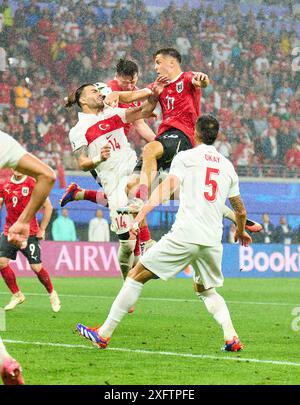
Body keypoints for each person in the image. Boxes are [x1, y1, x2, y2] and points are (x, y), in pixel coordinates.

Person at [76, 114, 252, 352]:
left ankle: (103, 333)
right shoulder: (227, 166)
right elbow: (240, 210)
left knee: (136, 274)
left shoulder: (185, 157)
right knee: (205, 290)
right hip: (212, 241)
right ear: (216, 136)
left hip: (185, 235)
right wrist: (241, 232)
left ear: (195, 134)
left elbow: (167, 187)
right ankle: (231, 338)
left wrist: (140, 214)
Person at [116, 48, 261, 235]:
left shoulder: (186, 78)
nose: (155, 67)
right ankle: (234, 216)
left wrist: (203, 78)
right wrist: (125, 96)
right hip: (164, 137)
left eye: (158, 62)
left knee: (150, 151)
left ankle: (140, 206)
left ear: (172, 63)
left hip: (182, 135)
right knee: (133, 186)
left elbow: (202, 80)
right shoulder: (158, 85)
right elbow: (139, 104)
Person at [61, 80, 166, 285]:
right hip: (112, 182)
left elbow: (143, 111)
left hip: (131, 168)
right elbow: (83, 163)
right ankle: (127, 279)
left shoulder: (112, 112)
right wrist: (99, 158)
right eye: (94, 91)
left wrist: (153, 95)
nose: (100, 94)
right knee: (127, 245)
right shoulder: (78, 129)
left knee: (136, 187)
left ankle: (146, 244)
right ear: (82, 100)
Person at [0, 130, 55, 385]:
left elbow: (47, 194)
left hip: (27, 231)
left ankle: (52, 293)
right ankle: (4, 359)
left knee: (36, 266)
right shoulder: (4, 142)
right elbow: (48, 175)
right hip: (14, 229)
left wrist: (30, 224)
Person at [0, 170, 61, 312]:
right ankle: (17, 295)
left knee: (36, 267)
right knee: (1, 262)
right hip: (10, 231)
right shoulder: (4, 185)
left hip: (30, 232)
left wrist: (43, 229)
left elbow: (48, 206)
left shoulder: (33, 183)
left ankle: (52, 294)